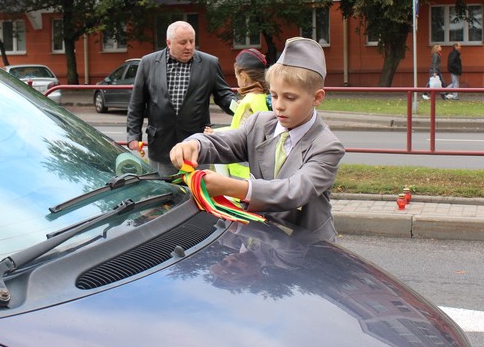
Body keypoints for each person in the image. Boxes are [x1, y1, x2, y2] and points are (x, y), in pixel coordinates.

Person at [169, 37, 345, 241]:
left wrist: (230, 186)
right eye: (274, 95)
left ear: (317, 98)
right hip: (262, 241)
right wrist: (194, 144)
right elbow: (224, 142)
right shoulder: (260, 123)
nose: (278, 106)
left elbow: (294, 191)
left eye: (290, 98)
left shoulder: (327, 145)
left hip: (307, 249)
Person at [126, 21, 236, 176]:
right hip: (161, 144)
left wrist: (239, 107)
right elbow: (136, 103)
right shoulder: (148, 63)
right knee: (164, 194)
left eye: (192, 41)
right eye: (183, 42)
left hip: (196, 146)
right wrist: (133, 135)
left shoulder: (210, 63)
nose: (189, 47)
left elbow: (224, 95)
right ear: (169, 43)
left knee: (197, 194)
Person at [205, 47, 271, 178]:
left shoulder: (247, 103)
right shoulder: (267, 98)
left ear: (243, 76)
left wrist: (216, 137)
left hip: (244, 174)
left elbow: (241, 138)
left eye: (236, 76)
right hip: (262, 169)